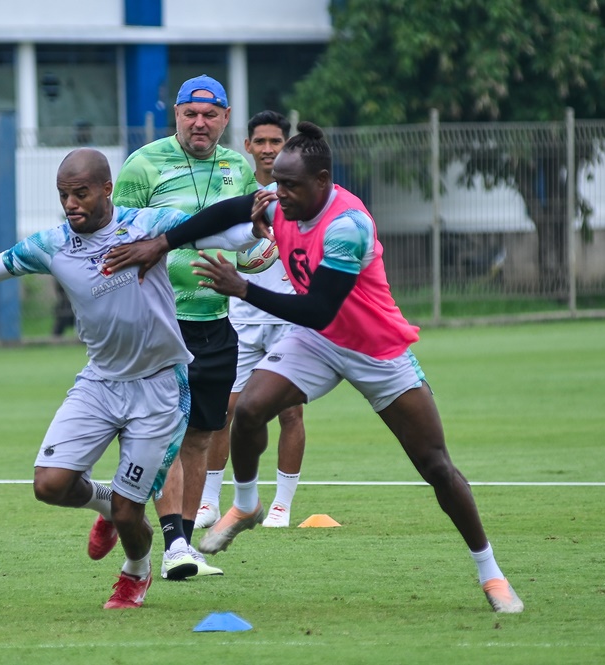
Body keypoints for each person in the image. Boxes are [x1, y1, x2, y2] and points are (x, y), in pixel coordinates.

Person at [102, 122, 524, 613]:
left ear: (323, 180)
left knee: (436, 466)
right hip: (318, 343)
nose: (279, 195)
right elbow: (221, 212)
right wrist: (162, 243)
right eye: (276, 184)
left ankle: (490, 573)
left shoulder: (347, 225)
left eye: (291, 185)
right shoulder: (281, 203)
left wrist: (242, 289)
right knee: (250, 408)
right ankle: (246, 504)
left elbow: (320, 308)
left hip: (375, 348)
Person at [0, 148, 262, 609]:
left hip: (159, 387)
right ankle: (106, 503)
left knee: (132, 513)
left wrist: (254, 234)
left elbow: (220, 227)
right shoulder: (53, 245)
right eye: (64, 195)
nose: (71, 204)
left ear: (107, 189)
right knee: (49, 485)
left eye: (81, 193)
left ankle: (136, 571)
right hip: (100, 383)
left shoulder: (147, 225)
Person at [105, 74, 259, 580]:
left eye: (210, 114)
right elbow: (116, 240)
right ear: (176, 114)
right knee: (167, 434)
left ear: (225, 118)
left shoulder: (239, 166)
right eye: (190, 114)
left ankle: (179, 542)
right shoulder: (143, 164)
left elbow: (255, 230)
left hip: (216, 322)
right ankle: (171, 543)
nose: (199, 123)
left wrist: (259, 252)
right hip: (159, 324)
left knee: (199, 437)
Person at [197, 110, 306, 530]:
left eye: (274, 142)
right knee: (224, 411)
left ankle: (281, 504)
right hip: (241, 318)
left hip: (288, 318)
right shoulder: (237, 192)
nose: (266, 149)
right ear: (247, 146)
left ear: (286, 147)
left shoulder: (297, 195)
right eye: (259, 142)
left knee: (290, 412)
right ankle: (209, 500)